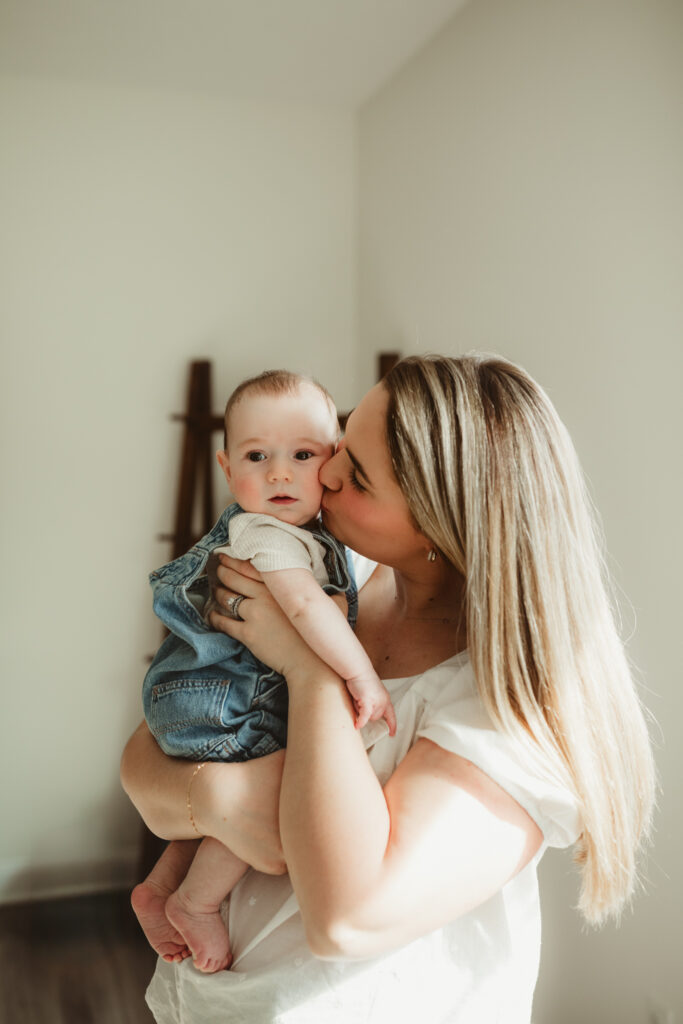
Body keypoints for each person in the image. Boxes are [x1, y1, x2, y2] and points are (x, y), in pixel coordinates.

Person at [121, 354, 655, 1024]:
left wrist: (309, 673)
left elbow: (345, 920)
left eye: (360, 476)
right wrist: (218, 800)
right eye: (342, 441)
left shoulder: (504, 712)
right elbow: (147, 759)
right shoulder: (331, 580)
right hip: (208, 998)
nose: (327, 472)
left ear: (441, 527)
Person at [134, 369, 396, 974]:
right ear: (229, 470)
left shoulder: (309, 535)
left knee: (240, 781)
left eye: (302, 455)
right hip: (223, 699)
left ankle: (164, 883)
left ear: (330, 461)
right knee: (277, 782)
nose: (280, 473)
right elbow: (304, 607)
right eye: (258, 456)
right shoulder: (266, 535)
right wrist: (361, 676)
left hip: (202, 697)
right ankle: (198, 903)